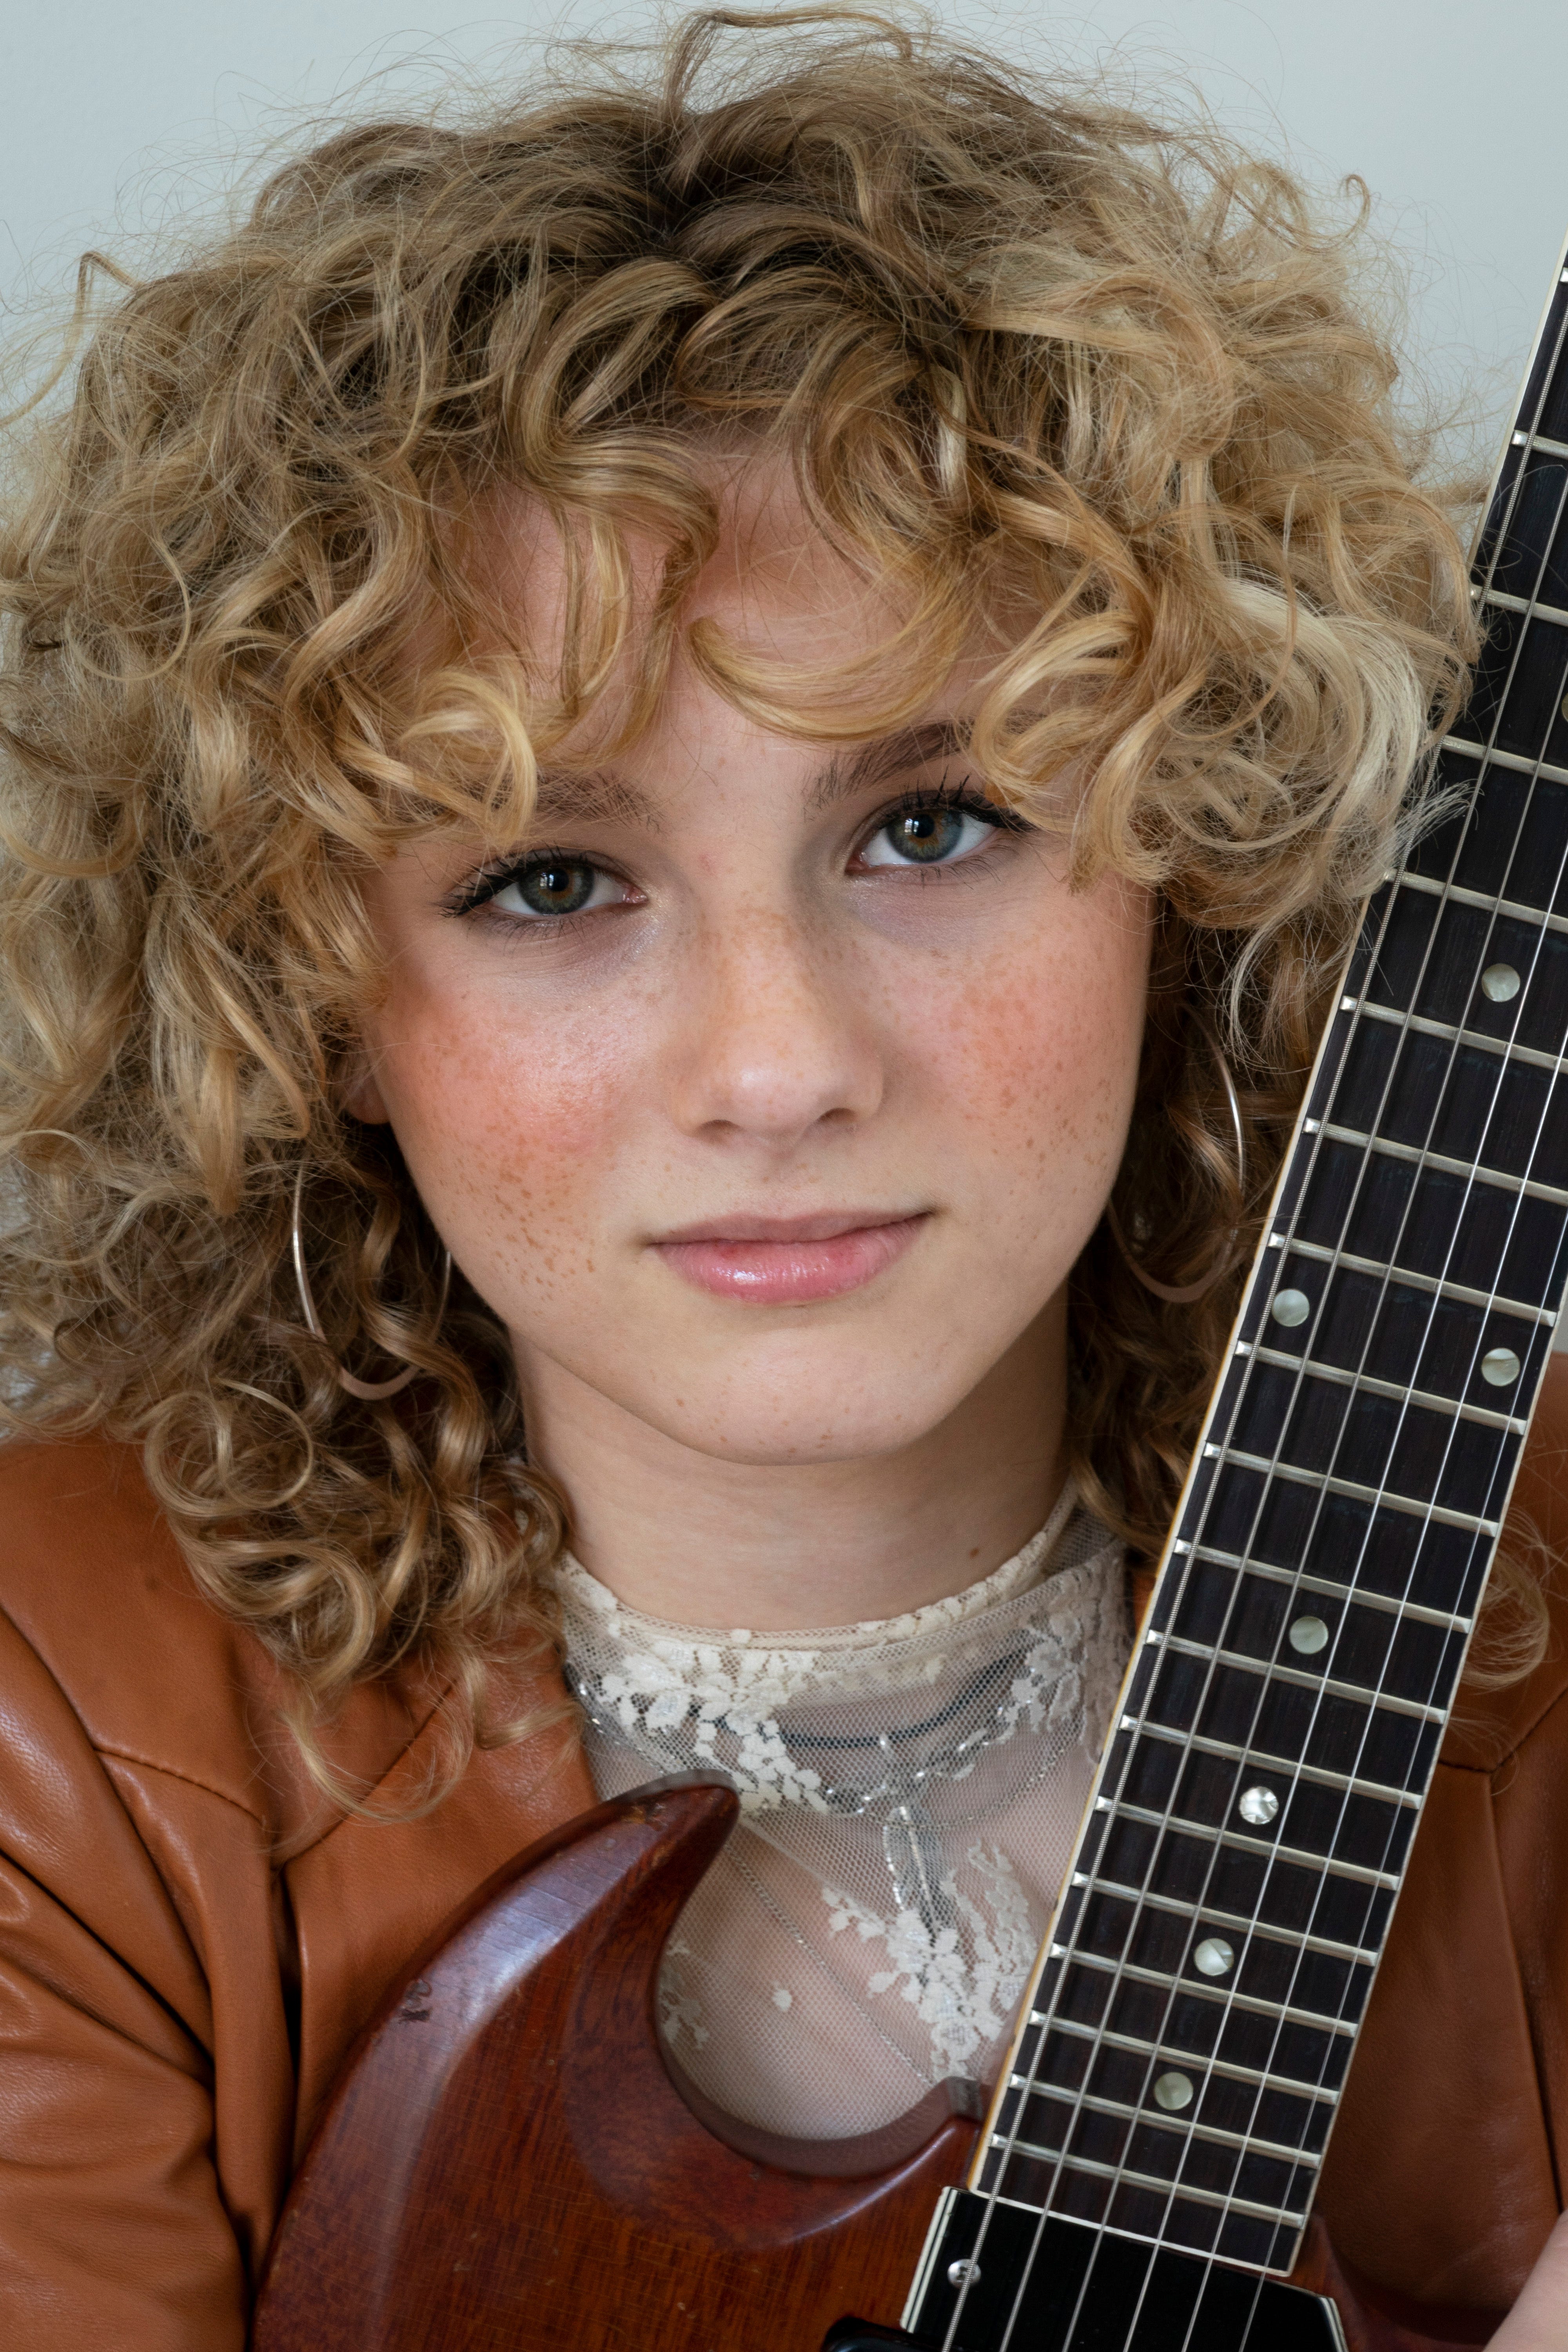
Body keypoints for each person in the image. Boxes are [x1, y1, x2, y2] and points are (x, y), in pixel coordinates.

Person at [0, 10, 1563, 2346]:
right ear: (298, 982)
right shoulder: (50, 1736)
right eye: (548, 882)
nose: (778, 1063)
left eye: (934, 827)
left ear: (1197, 855)